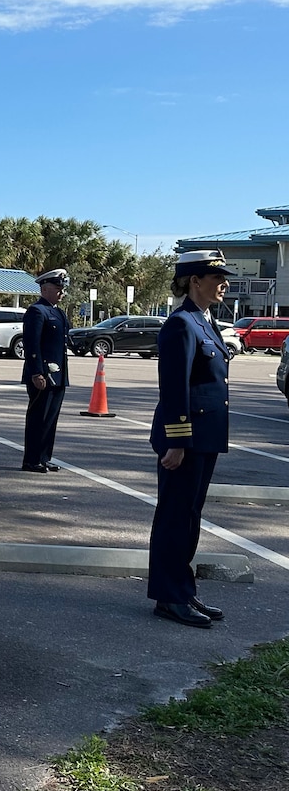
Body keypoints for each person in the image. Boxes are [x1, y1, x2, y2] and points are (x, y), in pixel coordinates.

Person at [147, 251, 235, 628]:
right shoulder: (181, 324)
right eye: (216, 277)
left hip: (206, 437)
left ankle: (183, 590)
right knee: (175, 518)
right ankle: (169, 597)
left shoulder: (205, 321)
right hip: (187, 438)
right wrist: (176, 441)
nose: (224, 284)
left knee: (189, 518)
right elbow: (174, 388)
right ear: (193, 281)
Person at [21, 268, 71, 473]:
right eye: (57, 288)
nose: (61, 292)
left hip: (58, 374)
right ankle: (31, 459)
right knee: (38, 418)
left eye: (62, 289)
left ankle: (44, 456)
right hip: (42, 373)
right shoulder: (37, 311)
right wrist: (37, 372)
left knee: (50, 419)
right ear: (44, 288)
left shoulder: (58, 312)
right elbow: (32, 345)